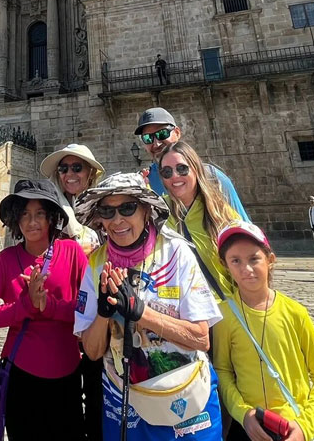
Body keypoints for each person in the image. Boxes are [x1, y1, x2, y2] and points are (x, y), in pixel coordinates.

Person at [73, 172, 224, 440]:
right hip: (124, 404)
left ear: (146, 210)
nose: (117, 219)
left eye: (127, 208)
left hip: (185, 398)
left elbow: (201, 338)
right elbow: (93, 351)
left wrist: (141, 313)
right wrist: (103, 313)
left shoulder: (176, 252)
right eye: (107, 211)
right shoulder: (96, 264)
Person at [0, 180, 88, 440]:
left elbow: (88, 309)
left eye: (38, 214)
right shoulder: (6, 260)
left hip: (66, 375)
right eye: (24, 214)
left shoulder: (71, 252)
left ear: (51, 218)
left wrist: (50, 306)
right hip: (21, 375)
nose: (31, 222)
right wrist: (24, 306)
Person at [212, 222, 314, 441]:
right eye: (236, 261)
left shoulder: (296, 313)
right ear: (225, 265)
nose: (246, 269)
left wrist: (305, 426)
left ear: (270, 260)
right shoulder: (223, 316)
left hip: (294, 426)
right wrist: (243, 413)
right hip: (248, 428)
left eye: (254, 259)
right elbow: (222, 370)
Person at [38, 143, 105, 441]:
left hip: (97, 313)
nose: (69, 174)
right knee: (61, 397)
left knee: (96, 391)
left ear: (90, 173)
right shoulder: (52, 213)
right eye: (63, 169)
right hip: (62, 312)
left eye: (77, 167)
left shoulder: (106, 206)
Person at [134, 107, 250, 222]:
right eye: (148, 138)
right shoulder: (143, 183)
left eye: (162, 133)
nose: (156, 143)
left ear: (177, 133)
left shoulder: (212, 177)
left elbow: (244, 228)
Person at [159, 141, 241, 300]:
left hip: (224, 311)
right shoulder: (158, 214)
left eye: (182, 168)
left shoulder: (222, 214)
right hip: (181, 315)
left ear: (195, 168)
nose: (175, 176)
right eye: (166, 172)